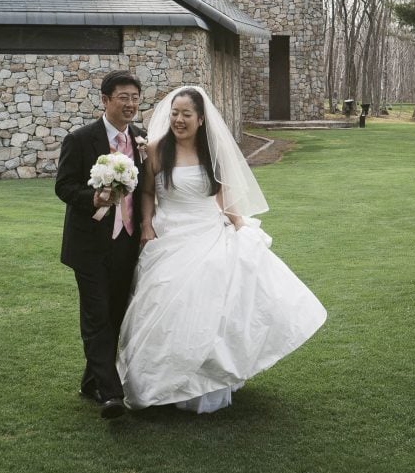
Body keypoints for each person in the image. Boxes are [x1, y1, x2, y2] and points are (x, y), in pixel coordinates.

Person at [117, 86, 327, 413]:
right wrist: (147, 224)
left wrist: (239, 223)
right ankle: (160, 379)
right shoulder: (157, 150)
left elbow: (222, 196)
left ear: (201, 119)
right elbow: (146, 193)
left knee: (213, 302)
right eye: (175, 113)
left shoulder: (211, 152)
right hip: (171, 234)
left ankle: (207, 378)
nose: (179, 120)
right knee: (165, 299)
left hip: (208, 230)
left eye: (186, 114)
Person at [55, 69, 146, 420]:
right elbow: (63, 186)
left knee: (115, 315)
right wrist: (92, 199)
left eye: (135, 97)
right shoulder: (80, 139)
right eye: (123, 97)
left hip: (125, 243)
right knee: (96, 316)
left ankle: (91, 381)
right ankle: (111, 394)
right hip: (89, 245)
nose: (130, 104)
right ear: (105, 100)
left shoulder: (141, 139)